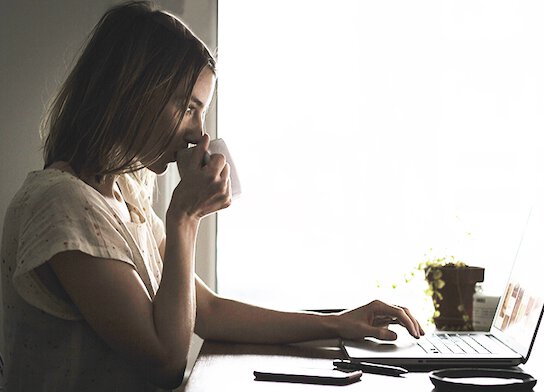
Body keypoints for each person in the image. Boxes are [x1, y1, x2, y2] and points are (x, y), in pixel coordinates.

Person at [0, 1, 425, 391]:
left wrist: (338, 323)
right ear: (132, 93)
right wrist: (184, 218)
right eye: (188, 106)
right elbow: (165, 362)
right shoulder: (63, 204)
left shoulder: (125, 195)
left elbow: (208, 311)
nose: (199, 131)